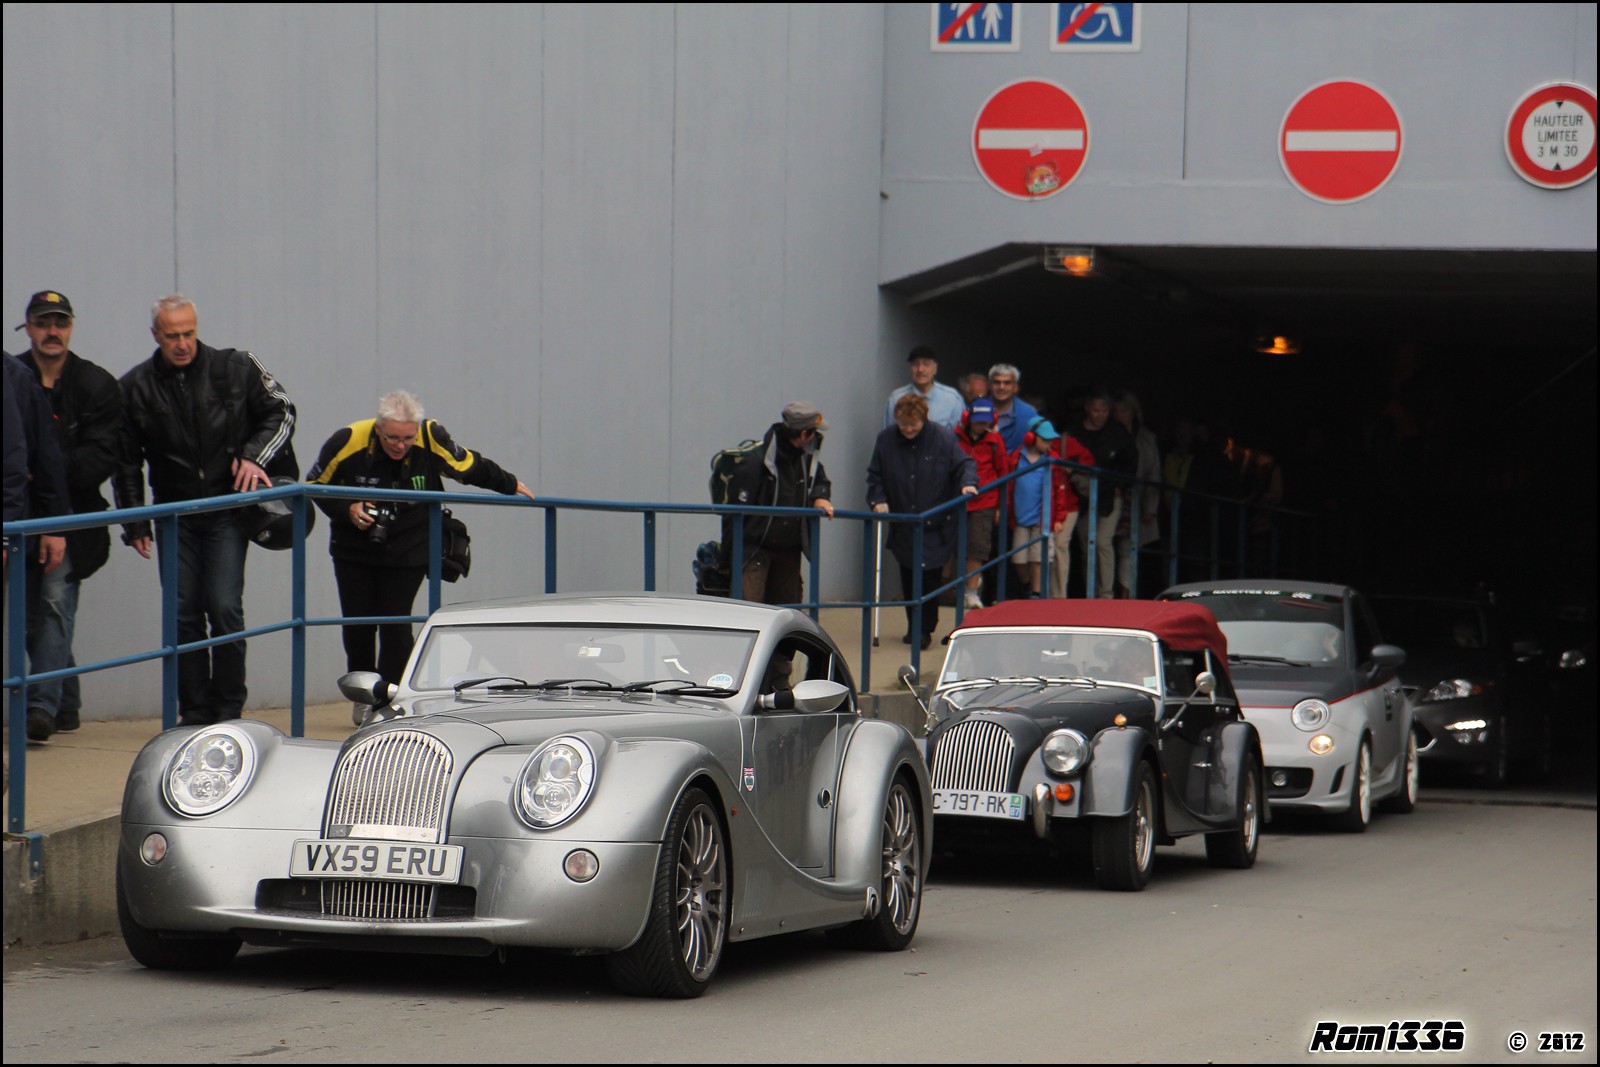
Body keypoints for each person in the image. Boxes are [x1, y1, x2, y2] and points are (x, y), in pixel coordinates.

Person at [114, 294, 296, 727]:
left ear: (197, 328)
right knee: (183, 614)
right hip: (174, 514)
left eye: (189, 333)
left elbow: (282, 410)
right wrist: (134, 521)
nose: (182, 343)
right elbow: (125, 461)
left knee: (225, 607)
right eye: (173, 335)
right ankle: (194, 713)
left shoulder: (235, 367)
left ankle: (229, 708)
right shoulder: (134, 386)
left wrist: (255, 457)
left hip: (226, 508)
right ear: (156, 335)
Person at [307, 390, 535, 711]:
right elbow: (314, 485)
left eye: (407, 438)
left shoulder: (430, 436)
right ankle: (363, 696)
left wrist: (509, 483)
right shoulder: (348, 439)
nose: (400, 445)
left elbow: (468, 466)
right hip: (354, 547)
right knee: (358, 623)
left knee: (396, 622)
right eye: (391, 438)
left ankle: (392, 698)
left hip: (409, 544)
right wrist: (349, 508)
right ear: (377, 429)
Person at [16, 291, 122, 738]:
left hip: (76, 520)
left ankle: (40, 708)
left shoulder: (96, 384)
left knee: (56, 603)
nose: (52, 331)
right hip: (21, 516)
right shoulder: (12, 377)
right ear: (29, 328)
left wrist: (42, 468)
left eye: (60, 322)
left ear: (71, 327)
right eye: (43, 322)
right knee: (31, 617)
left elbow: (103, 456)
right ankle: (67, 701)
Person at [867, 393, 977, 648]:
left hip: (935, 522)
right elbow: (875, 476)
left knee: (929, 576)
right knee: (908, 573)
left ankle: (924, 629)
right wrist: (877, 500)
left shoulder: (942, 437)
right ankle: (915, 627)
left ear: (923, 420)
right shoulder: (886, 440)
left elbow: (965, 464)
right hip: (903, 522)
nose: (907, 430)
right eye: (903, 425)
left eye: (913, 425)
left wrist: (968, 483)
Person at [721, 401, 834, 606]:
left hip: (789, 552)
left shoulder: (807, 460)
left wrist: (820, 496)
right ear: (803, 435)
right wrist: (726, 560)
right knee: (749, 613)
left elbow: (820, 480)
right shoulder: (755, 462)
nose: (817, 438)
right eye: (814, 432)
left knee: (788, 616)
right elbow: (733, 515)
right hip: (755, 550)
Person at [1067, 388, 1135, 598]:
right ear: (1088, 409)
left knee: (1103, 542)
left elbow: (1131, 461)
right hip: (1081, 496)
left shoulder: (1117, 432)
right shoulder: (1074, 431)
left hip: (1109, 496)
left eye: (1104, 410)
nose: (1100, 415)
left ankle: (1106, 594)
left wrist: (1120, 486)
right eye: (1096, 410)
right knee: (1086, 544)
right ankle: (1091, 593)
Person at [954, 398, 1009, 610]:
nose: (981, 425)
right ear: (968, 418)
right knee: (955, 548)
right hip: (958, 501)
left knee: (977, 548)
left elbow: (1003, 474)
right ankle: (955, 589)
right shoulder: (955, 438)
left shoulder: (995, 441)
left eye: (985, 421)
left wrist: (999, 508)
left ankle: (971, 591)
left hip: (985, 501)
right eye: (977, 421)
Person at [1111, 390, 1161, 598]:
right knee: (1104, 547)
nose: (1119, 415)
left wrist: (1150, 508)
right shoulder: (1109, 435)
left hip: (1136, 499)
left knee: (1128, 550)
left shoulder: (1146, 439)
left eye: (1123, 411)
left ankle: (1125, 596)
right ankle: (1106, 595)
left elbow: (1153, 473)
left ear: (1133, 412)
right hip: (1112, 496)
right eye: (1116, 411)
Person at [884, 345, 965, 430]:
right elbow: (888, 437)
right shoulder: (895, 398)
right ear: (909, 368)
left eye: (926, 364)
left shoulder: (952, 399)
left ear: (935, 369)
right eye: (915, 364)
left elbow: (959, 437)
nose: (920, 369)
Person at [986, 363, 1038, 454]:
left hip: (1019, 467)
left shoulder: (1029, 414)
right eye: (997, 382)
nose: (1001, 387)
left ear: (1015, 387)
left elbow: (1037, 450)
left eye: (1007, 383)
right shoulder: (976, 410)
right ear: (989, 386)